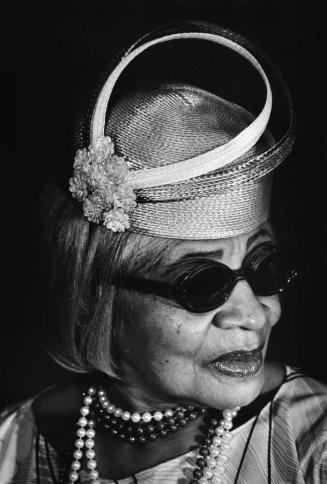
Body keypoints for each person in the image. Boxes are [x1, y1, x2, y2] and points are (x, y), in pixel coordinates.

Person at [0, 21, 326, 484]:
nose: (256, 315)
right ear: (96, 296)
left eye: (264, 269)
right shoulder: (11, 445)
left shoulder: (313, 446)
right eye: (202, 284)